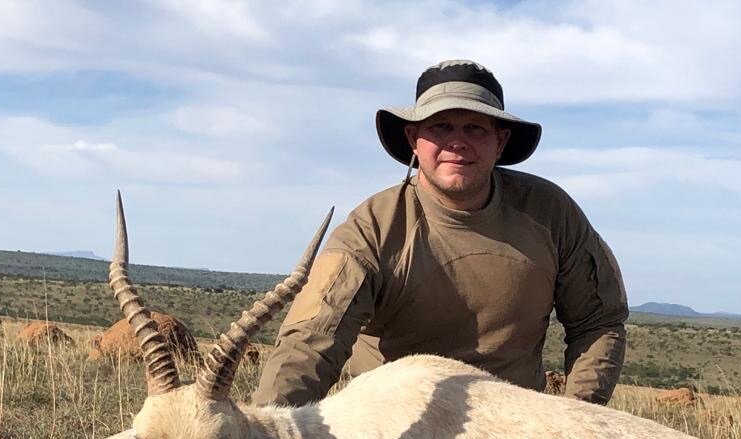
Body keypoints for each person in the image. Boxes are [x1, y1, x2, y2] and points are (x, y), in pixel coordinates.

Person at [252, 59, 628, 407]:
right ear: (414, 138)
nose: (457, 142)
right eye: (441, 126)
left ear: (500, 141)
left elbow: (599, 322)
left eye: (475, 128)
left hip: (518, 432)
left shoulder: (551, 211)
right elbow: (312, 341)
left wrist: (575, 419)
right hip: (392, 426)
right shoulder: (372, 227)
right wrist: (267, 430)